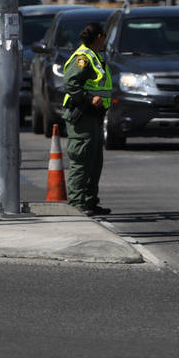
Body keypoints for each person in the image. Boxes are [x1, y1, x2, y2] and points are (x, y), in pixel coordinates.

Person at [62, 22, 112, 217]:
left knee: (94, 161)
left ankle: (90, 201)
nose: (105, 42)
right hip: (82, 114)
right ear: (99, 37)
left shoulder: (95, 56)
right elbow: (70, 82)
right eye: (104, 38)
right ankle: (76, 203)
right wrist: (88, 99)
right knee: (81, 159)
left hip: (94, 115)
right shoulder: (83, 57)